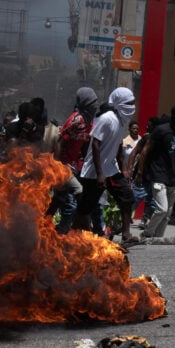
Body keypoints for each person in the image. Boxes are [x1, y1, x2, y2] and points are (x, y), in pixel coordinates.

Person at [77, 87, 138, 245]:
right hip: (94, 172)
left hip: (111, 169)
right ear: (118, 103)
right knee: (86, 207)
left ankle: (126, 234)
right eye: (129, 103)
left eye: (133, 103)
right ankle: (85, 237)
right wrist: (99, 174)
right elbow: (95, 145)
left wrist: (123, 169)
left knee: (127, 197)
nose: (132, 106)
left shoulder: (120, 121)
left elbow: (118, 147)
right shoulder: (107, 119)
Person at [136, 105, 175, 238]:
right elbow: (145, 151)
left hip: (174, 177)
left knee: (167, 215)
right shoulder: (161, 130)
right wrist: (139, 172)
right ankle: (147, 233)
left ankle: (158, 239)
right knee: (162, 209)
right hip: (158, 175)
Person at [51, 87, 97, 234]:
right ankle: (62, 230)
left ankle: (44, 225)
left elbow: (84, 146)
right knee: (78, 192)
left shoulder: (90, 123)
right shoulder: (76, 120)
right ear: (85, 104)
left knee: (59, 198)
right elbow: (60, 141)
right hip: (63, 165)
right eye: (92, 103)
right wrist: (57, 166)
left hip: (73, 165)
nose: (95, 106)